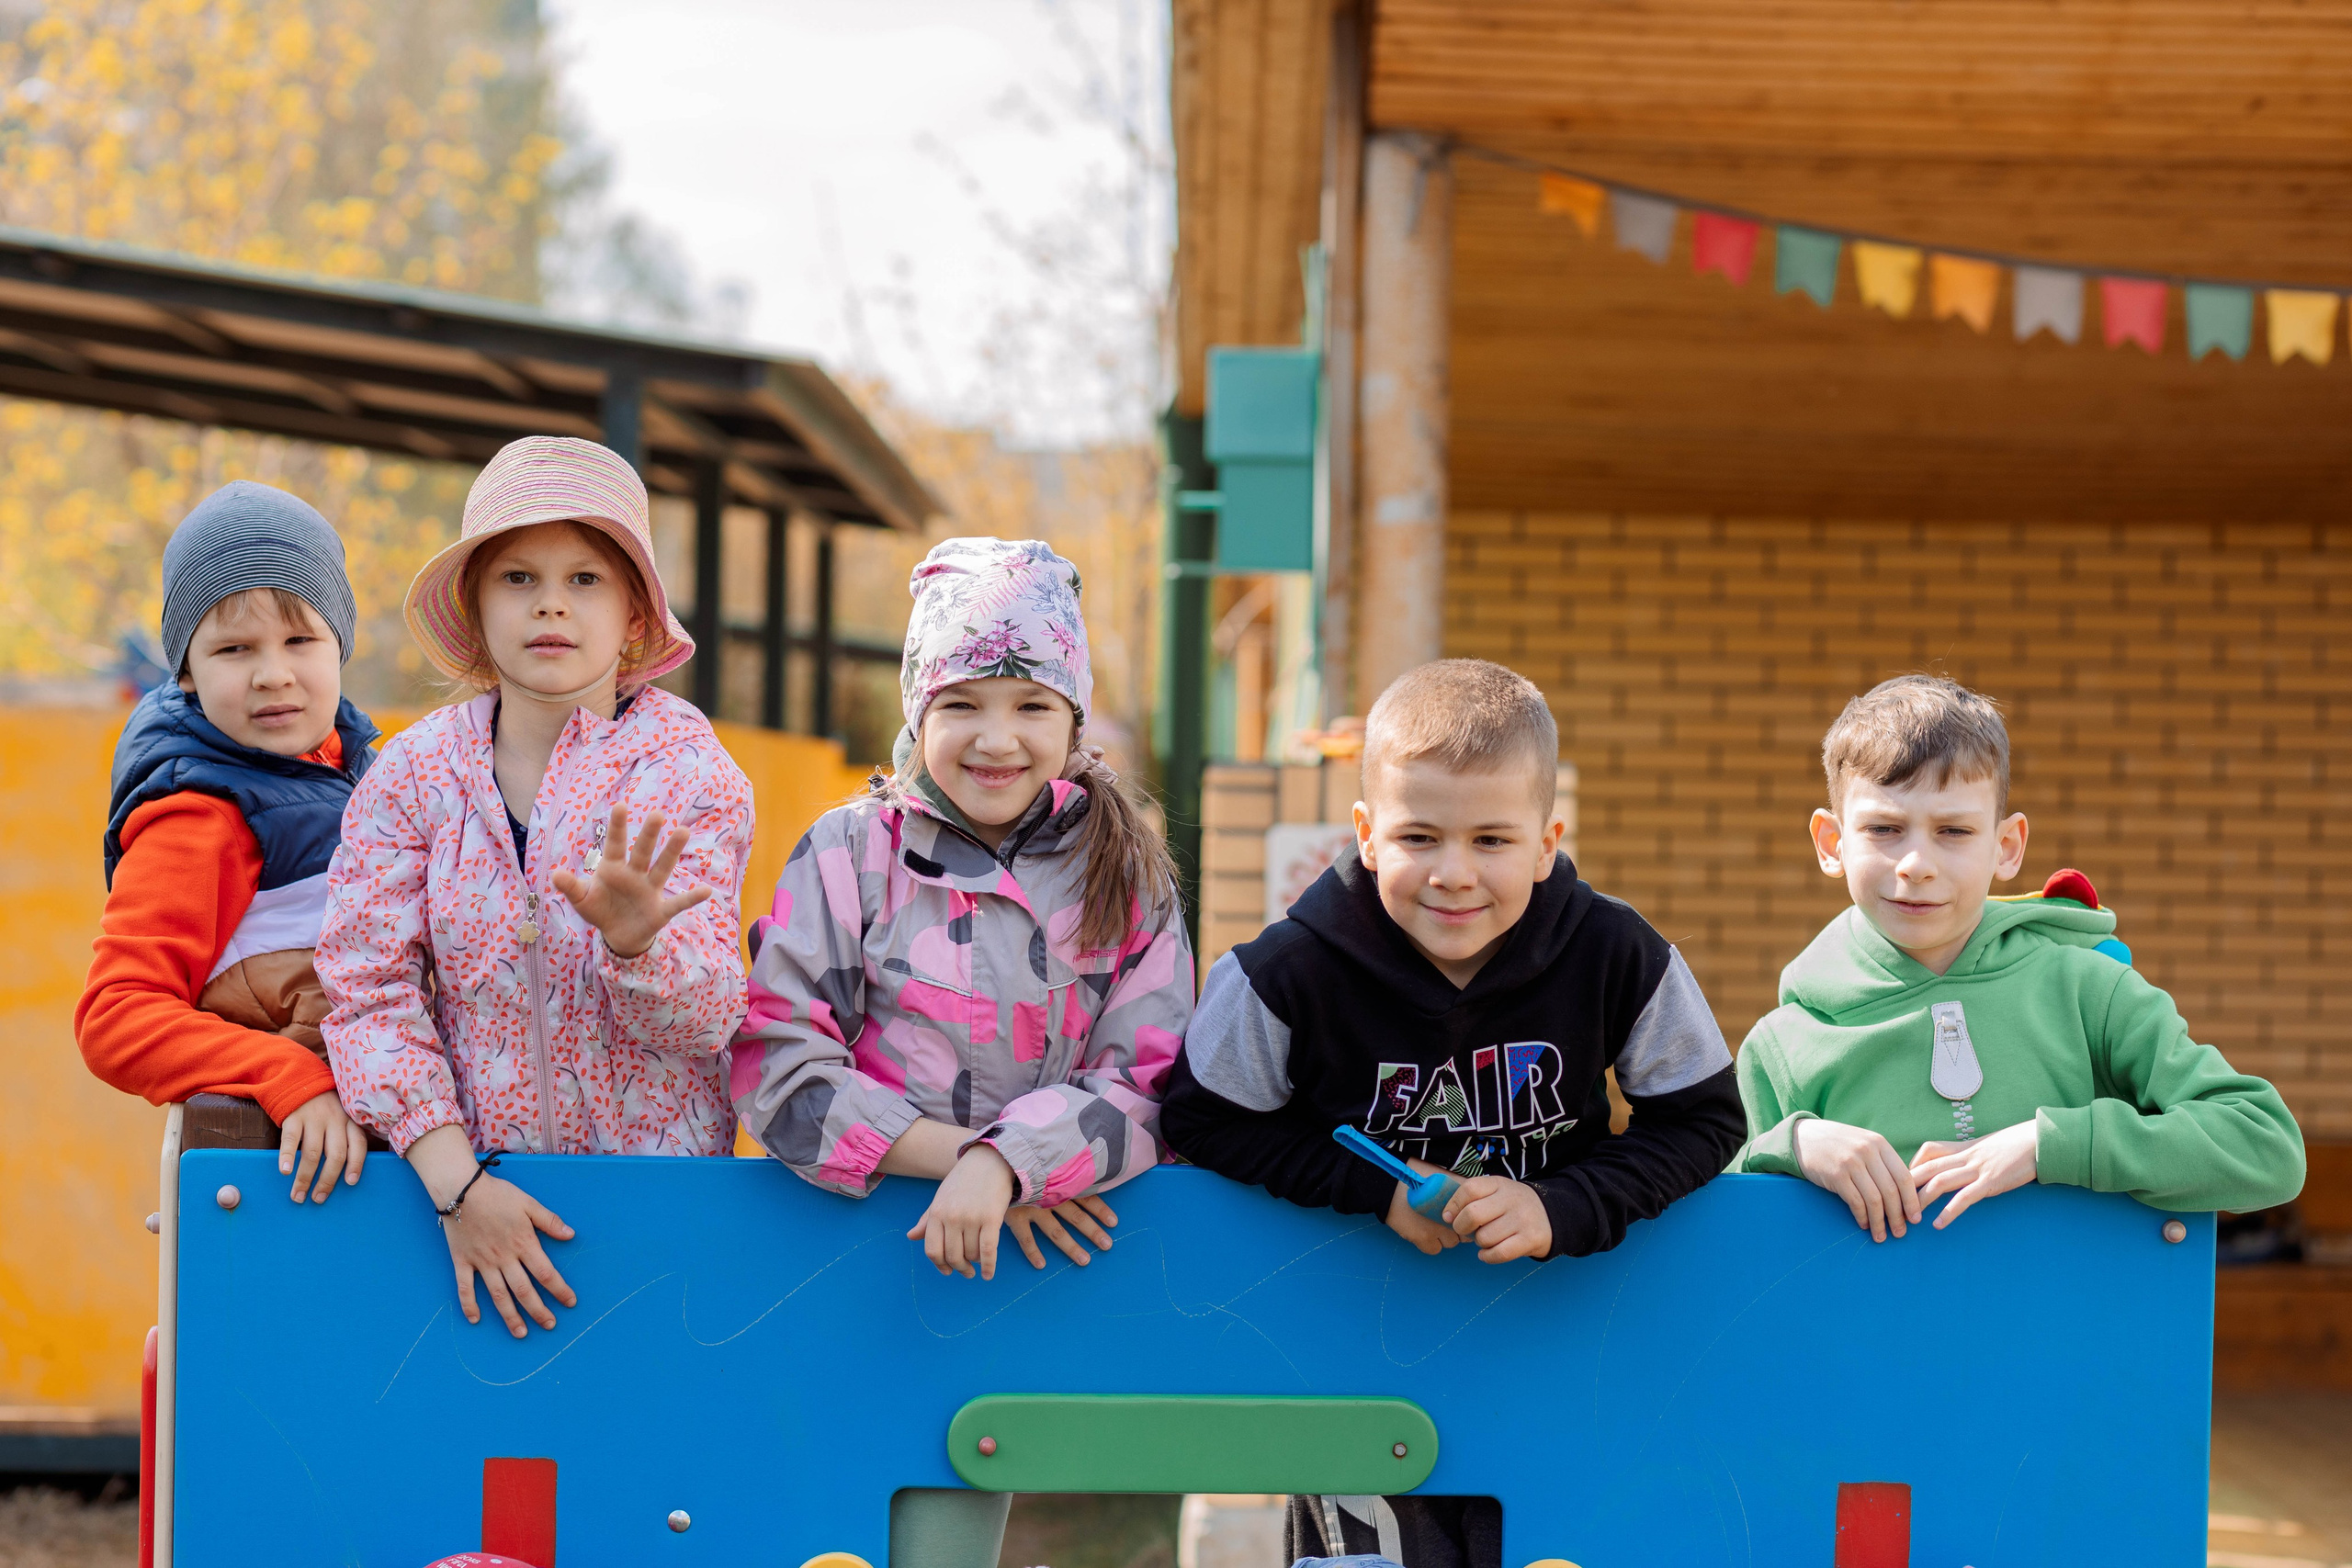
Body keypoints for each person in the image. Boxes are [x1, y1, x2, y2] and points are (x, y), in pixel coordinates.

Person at [1160, 658, 1744, 1568]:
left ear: (1548, 841)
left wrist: (1561, 1207)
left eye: (1492, 842)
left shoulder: (1618, 953)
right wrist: (1372, 1190)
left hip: (1559, 1350)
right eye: (1420, 837)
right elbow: (1199, 1123)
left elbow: (1705, 1122)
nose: (1454, 875)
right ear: (1364, 833)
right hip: (1353, 1361)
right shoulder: (1280, 975)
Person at [730, 536, 1192, 1568]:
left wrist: (1011, 1163)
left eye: (1032, 706)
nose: (997, 739)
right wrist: (964, 1162)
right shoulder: (851, 854)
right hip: (856, 1252)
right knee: (813, 1526)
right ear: (916, 716)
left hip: (1028, 1274)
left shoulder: (1127, 876)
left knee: (950, 1533)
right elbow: (776, 1064)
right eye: (962, 705)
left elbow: (1150, 1079)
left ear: (1073, 720)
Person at [318, 435, 754, 1339]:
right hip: (460, 1207)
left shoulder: (688, 773)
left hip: (656, 1212)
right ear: (475, 609)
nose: (551, 601)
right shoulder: (411, 776)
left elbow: (710, 1020)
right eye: (518, 577)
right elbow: (367, 993)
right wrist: (458, 1186)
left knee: (648, 1469)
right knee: (486, 1471)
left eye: (586, 578)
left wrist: (639, 945)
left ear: (634, 615)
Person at [1727, 674, 2305, 1240]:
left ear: (2006, 847)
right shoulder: (1785, 1042)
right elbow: (1707, 1216)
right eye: (1884, 828)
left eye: (1953, 831)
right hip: (1866, 1336)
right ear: (1832, 843)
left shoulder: (2089, 990)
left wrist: (2046, 1146)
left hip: (2065, 1332)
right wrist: (1795, 1146)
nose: (1916, 864)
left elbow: (2268, 1148)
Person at [79, 482, 381, 1204]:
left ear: (340, 640)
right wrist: (282, 1073)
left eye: (300, 639)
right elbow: (117, 1015)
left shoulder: (365, 768)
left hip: (383, 1144)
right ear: (185, 672)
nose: (273, 672)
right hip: (291, 1172)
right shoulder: (203, 812)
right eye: (234, 648)